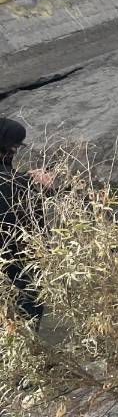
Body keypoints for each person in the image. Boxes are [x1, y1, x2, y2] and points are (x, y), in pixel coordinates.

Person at [1, 118, 50, 324]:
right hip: (17, 263)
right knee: (26, 312)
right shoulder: (16, 184)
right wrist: (39, 185)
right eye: (12, 146)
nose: (14, 151)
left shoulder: (15, 180)